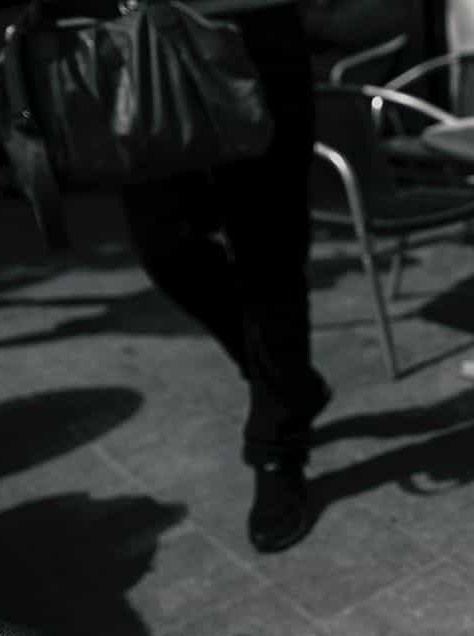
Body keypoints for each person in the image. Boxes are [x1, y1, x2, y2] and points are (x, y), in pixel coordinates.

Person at [112, 0, 329, 553]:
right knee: (164, 246)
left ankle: (277, 447)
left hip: (254, 31)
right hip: (140, 38)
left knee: (270, 253)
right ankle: (283, 382)